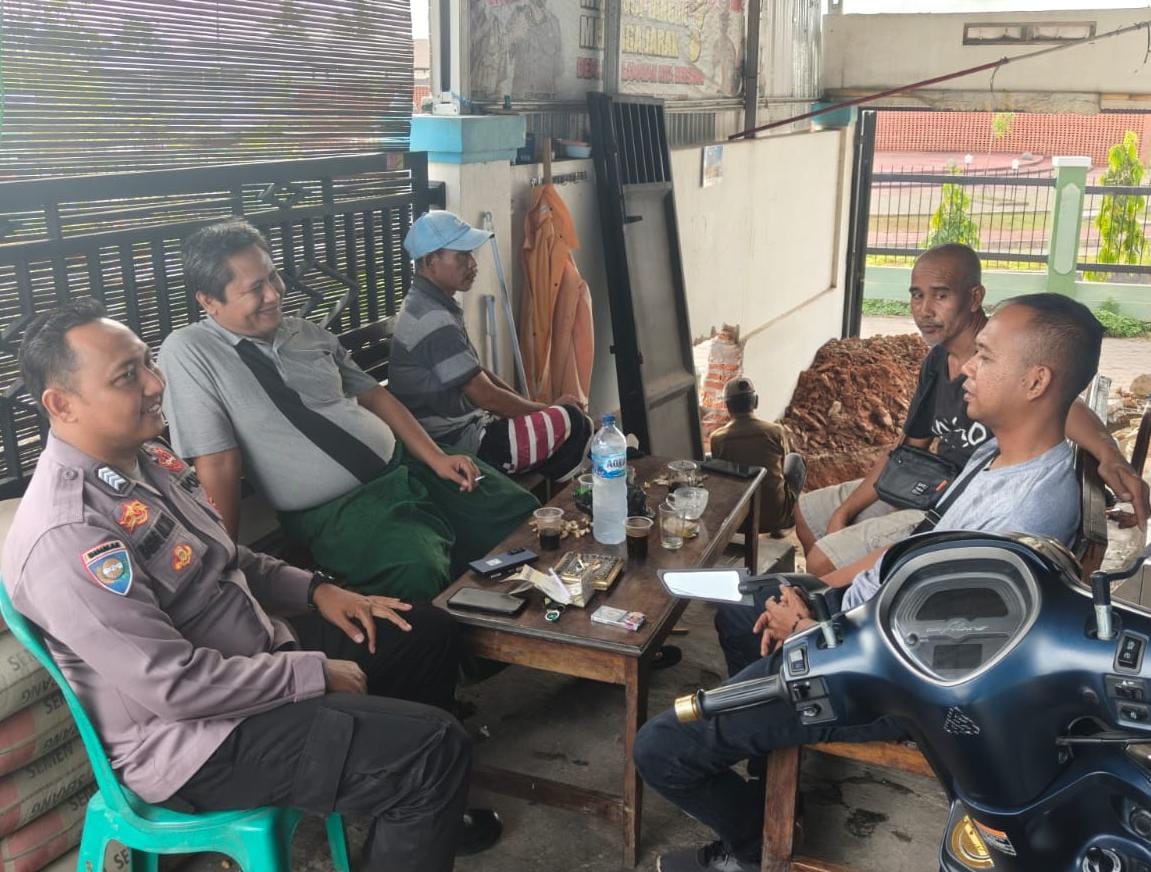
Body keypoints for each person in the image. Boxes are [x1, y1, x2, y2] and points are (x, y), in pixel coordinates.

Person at [1, 300, 501, 871]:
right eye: (126, 377)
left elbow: (225, 556)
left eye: (147, 363)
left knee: (425, 631)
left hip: (254, 658)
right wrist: (312, 673)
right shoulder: (70, 534)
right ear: (61, 404)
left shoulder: (148, 459)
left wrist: (318, 591)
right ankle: (414, 790)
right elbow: (175, 687)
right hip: (199, 744)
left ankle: (411, 817)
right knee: (432, 751)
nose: (155, 384)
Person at [636, 293, 1102, 871]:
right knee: (739, 608)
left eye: (985, 355)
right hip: (869, 619)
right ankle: (772, 781)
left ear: (1036, 381)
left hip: (884, 677)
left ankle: (754, 845)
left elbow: (940, 655)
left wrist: (810, 634)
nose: (967, 370)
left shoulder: (1024, 516)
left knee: (660, 748)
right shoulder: (998, 454)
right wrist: (818, 598)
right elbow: (919, 548)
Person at [157, 218, 540, 601]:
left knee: (517, 514)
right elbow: (217, 462)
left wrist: (436, 457)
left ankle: (520, 619)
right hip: (341, 507)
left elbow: (375, 396)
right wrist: (226, 563)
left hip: (405, 465)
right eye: (255, 288)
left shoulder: (305, 333)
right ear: (208, 301)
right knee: (415, 569)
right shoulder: (191, 351)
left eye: (273, 277)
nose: (273, 294)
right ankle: (467, 635)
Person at [795, 243, 1147, 577]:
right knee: (808, 512)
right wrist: (845, 510)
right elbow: (906, 450)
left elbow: (1059, 402)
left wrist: (1109, 453)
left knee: (823, 562)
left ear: (975, 298)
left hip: (956, 504)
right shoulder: (938, 361)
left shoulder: (1006, 363)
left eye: (940, 295)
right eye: (917, 295)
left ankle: (835, 600)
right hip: (926, 481)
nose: (924, 310)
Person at [389, 210, 592, 482]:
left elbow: (479, 374)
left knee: (573, 425)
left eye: (470, 254)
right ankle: (567, 487)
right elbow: (485, 396)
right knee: (573, 421)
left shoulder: (434, 305)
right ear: (430, 261)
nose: (472, 264)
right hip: (455, 443)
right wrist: (546, 410)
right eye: (461, 256)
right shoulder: (431, 317)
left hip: (472, 426)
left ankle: (564, 484)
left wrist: (536, 407)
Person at [709, 377, 806, 538]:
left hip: (739, 521)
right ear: (756, 402)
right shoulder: (775, 431)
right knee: (795, 460)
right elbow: (782, 468)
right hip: (776, 517)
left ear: (727, 406)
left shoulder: (717, 438)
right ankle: (783, 524)